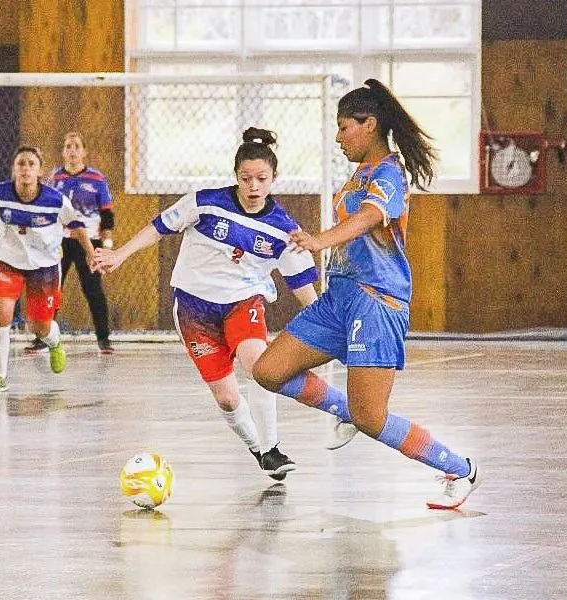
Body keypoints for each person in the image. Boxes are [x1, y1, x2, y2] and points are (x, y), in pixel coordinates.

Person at [251, 79, 481, 509]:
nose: (338, 138)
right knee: (267, 371)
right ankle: (346, 412)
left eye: (344, 128)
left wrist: (319, 241)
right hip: (339, 298)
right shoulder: (358, 175)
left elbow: (370, 217)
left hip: (376, 300)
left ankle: (460, 468)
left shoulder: (388, 173)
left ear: (369, 124)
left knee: (372, 418)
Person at [94, 127, 319, 480]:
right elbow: (159, 227)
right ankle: (258, 450)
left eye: (261, 178)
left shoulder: (284, 230)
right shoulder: (204, 203)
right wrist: (119, 254)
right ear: (236, 176)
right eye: (246, 178)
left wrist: (324, 325)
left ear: (274, 178)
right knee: (227, 399)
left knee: (259, 365)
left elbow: (303, 287)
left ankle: (272, 448)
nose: (253, 186)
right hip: (194, 310)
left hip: (243, 303)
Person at [0, 145, 96, 392]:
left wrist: (91, 253)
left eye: (31, 164)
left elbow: (77, 226)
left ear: (40, 171)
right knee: (0, 316)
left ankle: (54, 341)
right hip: (6, 263)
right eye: (21, 163)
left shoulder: (55, 200)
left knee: (39, 325)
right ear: (14, 169)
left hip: (44, 267)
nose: (26, 168)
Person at [25, 132, 116, 355]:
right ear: (63, 152)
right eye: (68, 146)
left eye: (76, 146)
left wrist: (106, 243)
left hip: (88, 242)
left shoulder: (97, 179)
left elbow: (107, 214)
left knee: (93, 290)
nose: (72, 150)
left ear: (84, 151)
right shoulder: (54, 179)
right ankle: (43, 338)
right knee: (50, 288)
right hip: (60, 242)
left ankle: (104, 339)